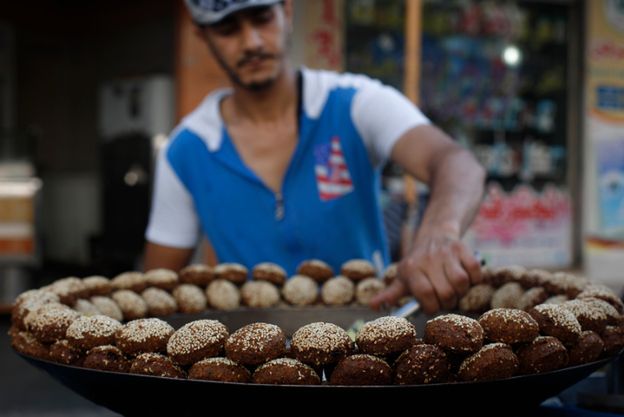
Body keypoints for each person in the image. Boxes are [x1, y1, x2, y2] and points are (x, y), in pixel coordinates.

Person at [143, 0, 486, 315]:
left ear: (287, 12)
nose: (252, 42)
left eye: (262, 18)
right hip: (255, 366)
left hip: (370, 348)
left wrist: (439, 233)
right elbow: (158, 290)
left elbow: (454, 161)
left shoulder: (352, 103)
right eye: (227, 29)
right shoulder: (186, 151)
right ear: (203, 36)